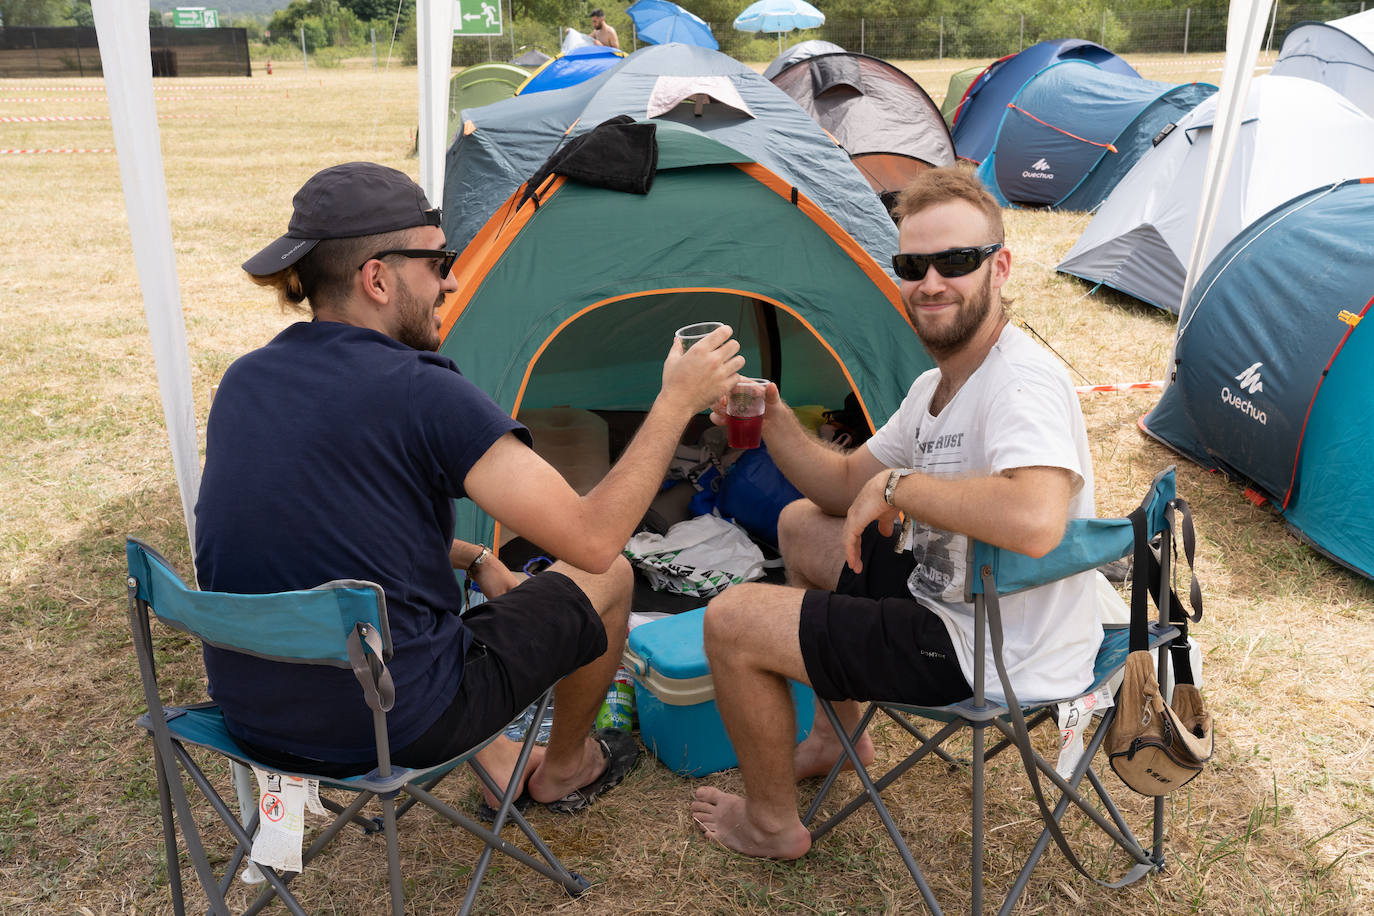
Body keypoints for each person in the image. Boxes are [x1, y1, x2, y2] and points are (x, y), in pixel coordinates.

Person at [195, 161, 743, 815]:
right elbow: (593, 541)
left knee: (420, 624)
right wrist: (674, 403)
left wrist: (479, 557)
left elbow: (323, 533)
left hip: (249, 716)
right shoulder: (421, 391)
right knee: (613, 578)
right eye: (438, 262)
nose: (453, 280)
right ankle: (566, 769)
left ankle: (504, 759)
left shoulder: (245, 381)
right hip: (388, 725)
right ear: (377, 277)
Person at [689, 166, 1102, 858]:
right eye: (913, 265)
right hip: (956, 597)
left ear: (1000, 268)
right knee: (796, 527)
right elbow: (843, 481)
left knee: (731, 620)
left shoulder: (1019, 381)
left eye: (956, 261)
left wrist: (900, 489)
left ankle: (769, 826)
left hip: (993, 649)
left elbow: (1036, 520)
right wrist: (778, 419)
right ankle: (836, 737)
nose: (932, 282)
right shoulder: (938, 385)